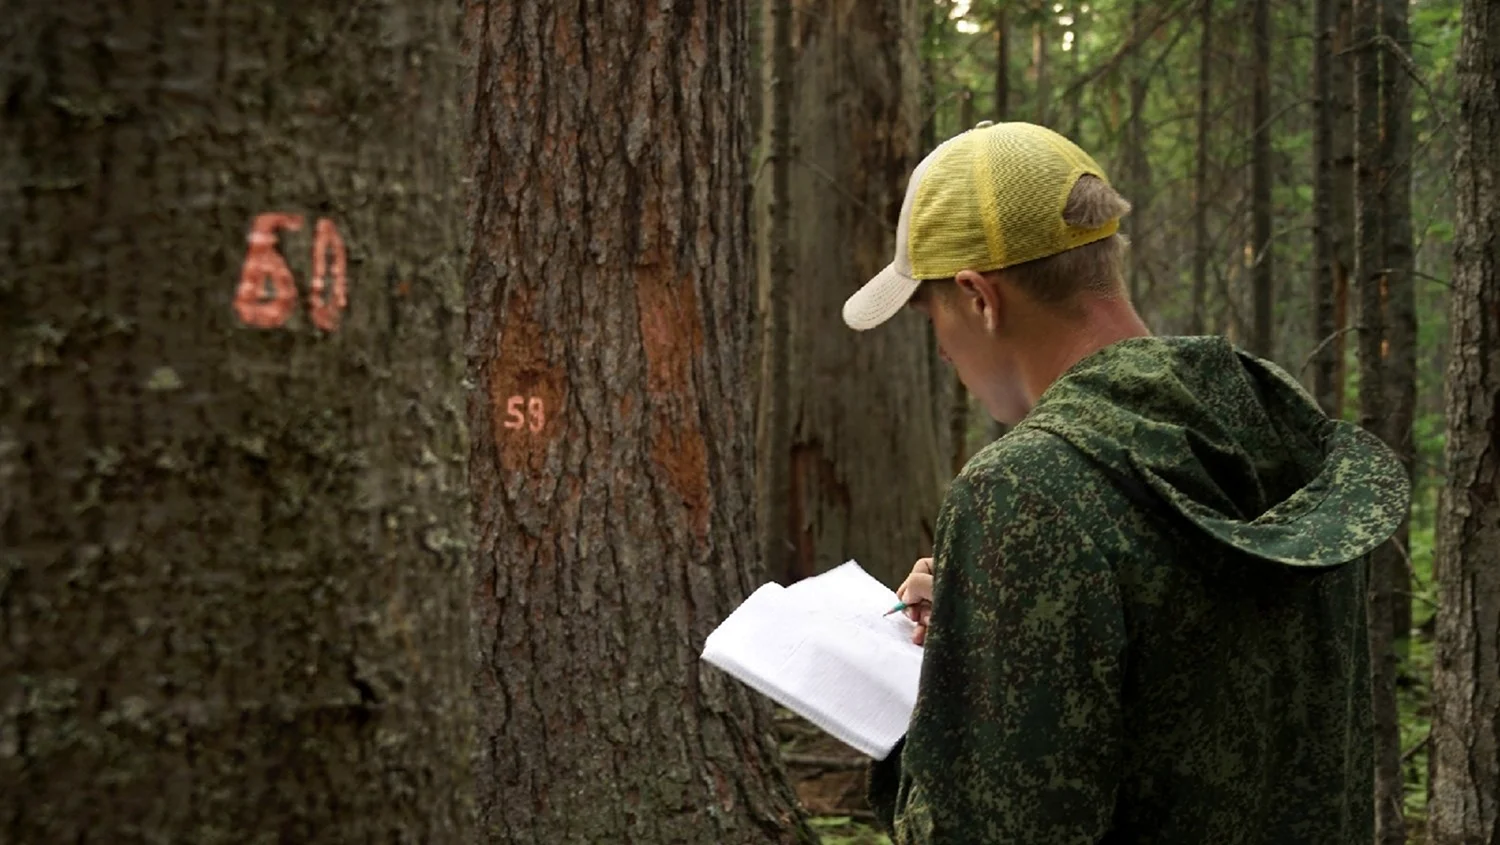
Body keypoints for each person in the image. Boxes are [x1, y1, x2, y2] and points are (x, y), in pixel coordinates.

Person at [841, 121, 1409, 844]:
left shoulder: (1026, 491)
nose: (945, 351)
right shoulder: (1267, 427)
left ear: (979, 297)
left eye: (932, 319)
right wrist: (985, 634)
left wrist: (930, 723)